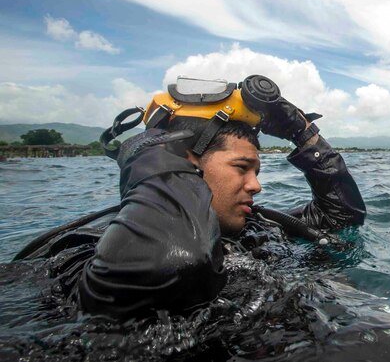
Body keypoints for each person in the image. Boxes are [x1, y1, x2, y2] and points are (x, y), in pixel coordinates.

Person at [13, 75, 366, 319]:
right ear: (186, 162)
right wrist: (159, 149)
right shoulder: (90, 248)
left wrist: (302, 133)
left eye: (257, 171)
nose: (256, 185)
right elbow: (172, 262)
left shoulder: (257, 227)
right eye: (242, 167)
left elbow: (342, 217)